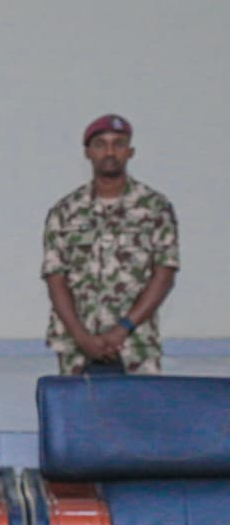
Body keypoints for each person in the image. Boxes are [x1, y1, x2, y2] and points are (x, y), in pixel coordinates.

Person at [41, 114, 180, 375]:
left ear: (130, 152)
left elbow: (164, 275)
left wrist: (122, 329)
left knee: (138, 403)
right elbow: (55, 278)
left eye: (118, 144)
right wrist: (81, 337)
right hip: (76, 345)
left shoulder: (155, 208)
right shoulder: (65, 211)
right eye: (100, 144)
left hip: (135, 344)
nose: (109, 152)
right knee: (76, 403)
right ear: (87, 153)